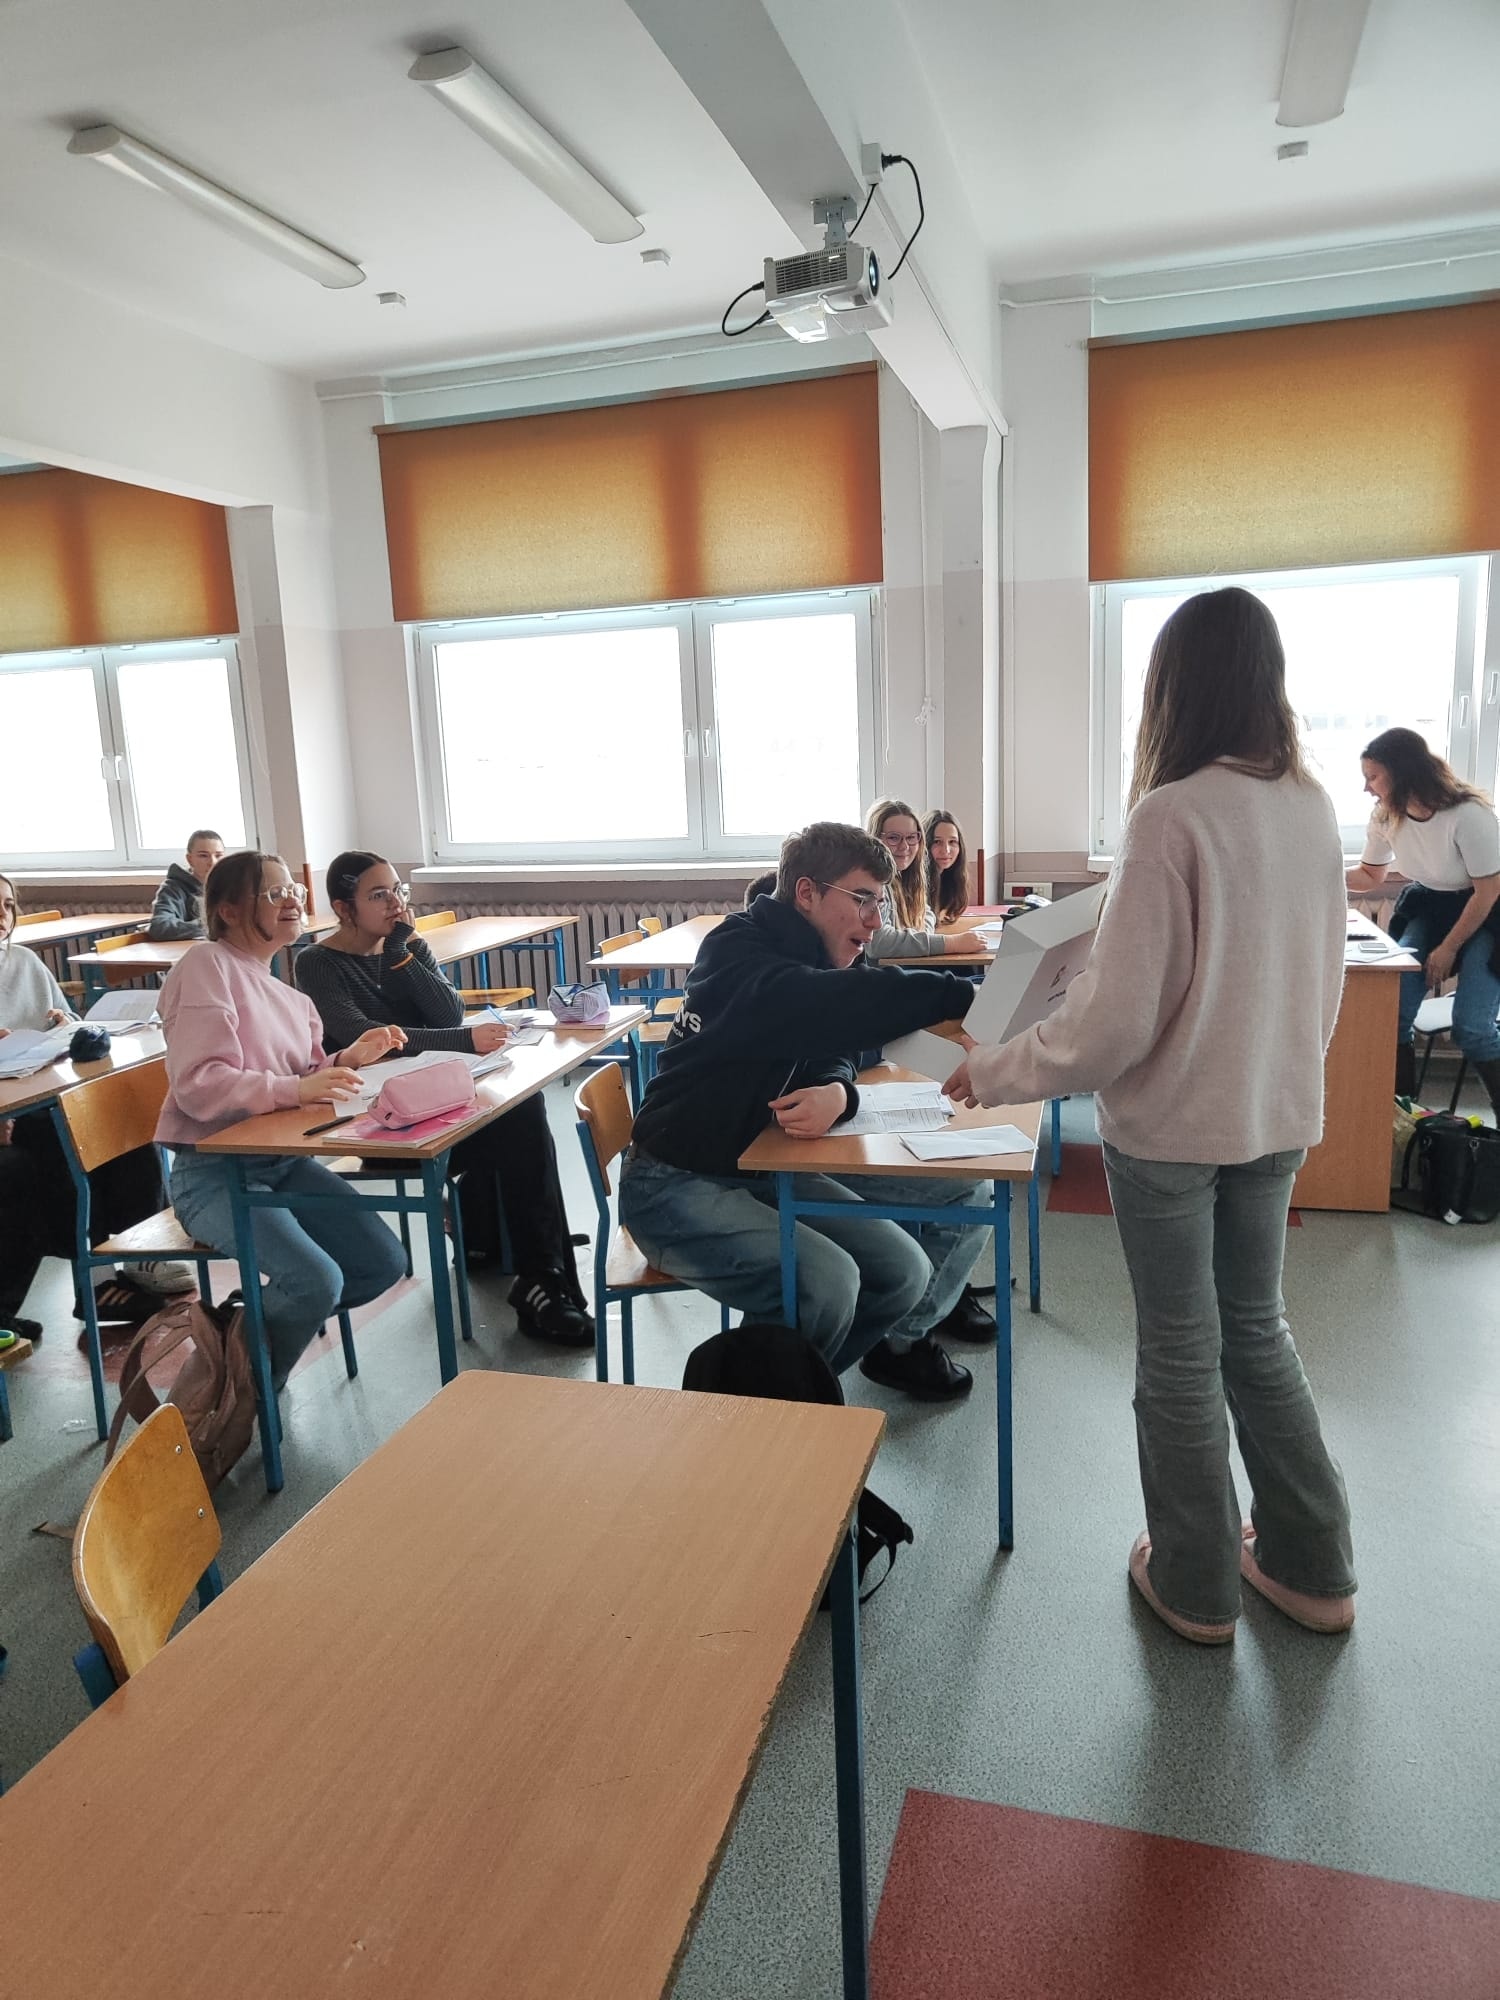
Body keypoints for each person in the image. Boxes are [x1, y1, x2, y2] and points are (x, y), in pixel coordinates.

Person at [946, 588, 1356, 1643]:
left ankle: (1195, 1584)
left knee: (1179, 1348)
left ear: (1173, 686)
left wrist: (995, 1070)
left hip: (1172, 1130)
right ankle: (1314, 1568)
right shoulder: (1311, 807)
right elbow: (1322, 984)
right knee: (1257, 1328)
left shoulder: (1171, 814)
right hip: (1275, 1115)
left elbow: (1114, 1026)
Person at [620, 821, 995, 1401]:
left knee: (904, 1273)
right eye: (863, 899)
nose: (875, 920)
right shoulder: (736, 950)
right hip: (673, 1183)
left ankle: (794, 1398)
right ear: (806, 893)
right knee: (828, 1283)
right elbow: (829, 1007)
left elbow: (841, 1040)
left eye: (880, 902)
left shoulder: (820, 956)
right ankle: (767, 1412)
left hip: (761, 1167)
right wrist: (962, 997)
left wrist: (839, 1092)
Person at [295, 852, 592, 1346]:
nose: (395, 903)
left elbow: (448, 1013)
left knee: (522, 1108)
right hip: (381, 1125)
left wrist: (403, 954)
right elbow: (364, 1035)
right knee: (517, 1129)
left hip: (442, 1107)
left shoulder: (407, 946)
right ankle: (539, 1268)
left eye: (398, 890)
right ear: (343, 909)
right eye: (378, 895)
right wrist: (463, 1042)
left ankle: (542, 1277)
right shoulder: (317, 963)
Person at [156, 851, 409, 1396]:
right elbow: (200, 1085)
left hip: (282, 1163)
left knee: (382, 1262)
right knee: (315, 1281)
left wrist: (344, 1060)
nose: (293, 899)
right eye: (274, 893)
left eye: (294, 888)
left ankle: (239, 1334)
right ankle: (250, 1395)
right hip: (214, 1174)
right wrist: (297, 1089)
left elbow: (302, 1076)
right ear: (227, 910)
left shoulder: (290, 994)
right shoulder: (206, 965)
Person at [0, 874, 170, 1341]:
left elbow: (67, 1028)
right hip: (12, 1120)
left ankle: (134, 1258)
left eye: (8, 905)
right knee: (44, 1158)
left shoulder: (24, 962)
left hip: (40, 1099)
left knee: (124, 1132)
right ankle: (89, 1283)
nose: (2, 916)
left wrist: (64, 1022)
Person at [1345, 727, 1500, 1116]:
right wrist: (1320, 869)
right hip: (1430, 905)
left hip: (1486, 912)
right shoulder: (1385, 816)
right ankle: (1402, 1120)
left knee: (1473, 1029)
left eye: (1373, 777)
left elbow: (1487, 892)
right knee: (1393, 1014)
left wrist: (1448, 948)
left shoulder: (1468, 815)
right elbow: (1370, 875)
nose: (1366, 788)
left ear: (1402, 773)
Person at [864, 798, 986, 959]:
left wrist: (921, 938)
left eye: (911, 837)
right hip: (881, 972)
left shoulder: (909, 875)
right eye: (893, 838)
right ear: (875, 840)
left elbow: (927, 913)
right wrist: (951, 943)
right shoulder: (875, 882)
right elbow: (878, 944)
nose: (904, 846)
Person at [147, 830, 226, 940]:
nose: (212, 862)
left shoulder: (231, 886)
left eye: (218, 855)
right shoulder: (173, 889)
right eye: (203, 856)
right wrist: (215, 925)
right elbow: (160, 926)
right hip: (191, 949)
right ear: (190, 859)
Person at [925, 808, 972, 927]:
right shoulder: (916, 882)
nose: (946, 850)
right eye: (937, 842)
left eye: (952, 842)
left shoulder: (949, 876)